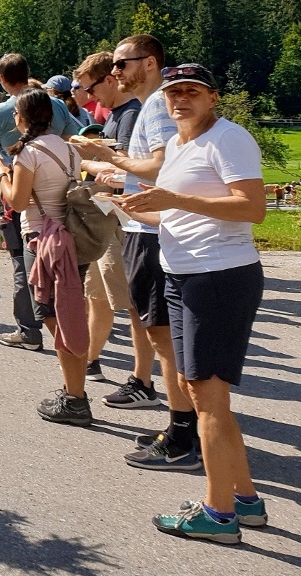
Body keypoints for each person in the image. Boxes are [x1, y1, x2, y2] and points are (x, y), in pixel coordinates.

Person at [119, 63, 267, 543]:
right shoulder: (182, 146)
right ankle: (244, 500)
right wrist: (139, 206)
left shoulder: (229, 138)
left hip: (220, 276)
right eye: (174, 92)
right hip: (184, 276)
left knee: (206, 396)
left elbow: (252, 208)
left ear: (212, 97)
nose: (181, 99)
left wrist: (177, 202)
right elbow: (180, 208)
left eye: (192, 92)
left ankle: (218, 514)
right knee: (205, 392)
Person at [75, 35, 199, 471]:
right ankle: (180, 425)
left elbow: (163, 166)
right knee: (159, 334)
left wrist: (108, 161)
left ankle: (184, 434)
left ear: (148, 63)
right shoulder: (151, 107)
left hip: (150, 231)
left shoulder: (157, 108)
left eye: (122, 65)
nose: (115, 73)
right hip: (142, 225)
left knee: (163, 338)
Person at [0, 89, 91, 425]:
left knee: (54, 316)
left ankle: (76, 398)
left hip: (43, 241)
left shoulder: (27, 154)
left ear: (21, 118)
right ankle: (73, 388)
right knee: (68, 312)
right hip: (72, 238)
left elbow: (18, 202)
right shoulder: (68, 148)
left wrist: (2, 176)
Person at [0, 54, 81, 350]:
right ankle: (74, 332)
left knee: (23, 264)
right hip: (63, 196)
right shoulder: (56, 103)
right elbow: (76, 136)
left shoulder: (2, 112)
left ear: (2, 79)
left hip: (23, 193)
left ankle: (32, 330)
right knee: (66, 269)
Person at [73, 51, 149, 389]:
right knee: (98, 297)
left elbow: (125, 170)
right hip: (108, 218)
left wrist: (88, 160)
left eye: (90, 89)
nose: (90, 98)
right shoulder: (118, 114)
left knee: (132, 303)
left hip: (122, 221)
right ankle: (89, 361)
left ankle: (142, 380)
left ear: (109, 81)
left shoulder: (131, 116)